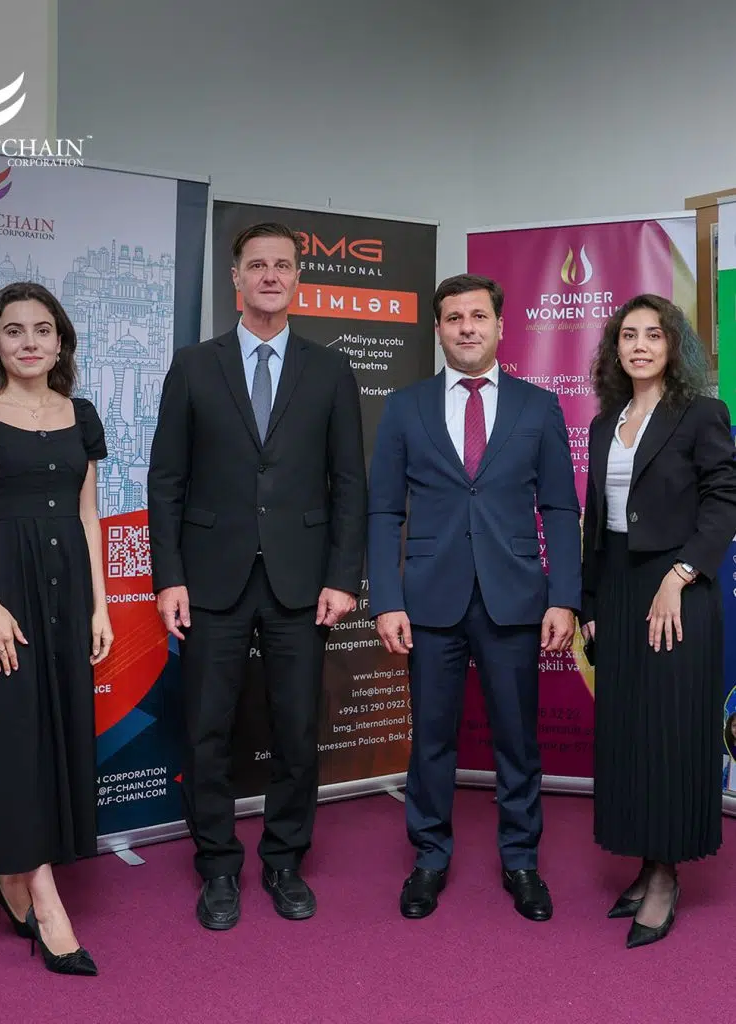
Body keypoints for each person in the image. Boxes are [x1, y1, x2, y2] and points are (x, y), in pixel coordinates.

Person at [147, 222, 367, 930]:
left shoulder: (329, 370)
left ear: (298, 278)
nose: (270, 275)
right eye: (257, 265)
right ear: (235, 278)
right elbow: (166, 481)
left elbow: (349, 484)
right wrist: (168, 577)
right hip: (210, 579)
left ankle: (283, 860)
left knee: (297, 731)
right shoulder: (193, 366)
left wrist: (343, 577)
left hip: (302, 582)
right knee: (205, 731)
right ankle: (217, 865)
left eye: (282, 265)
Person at [368, 273, 581, 922]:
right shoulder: (404, 407)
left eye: (478, 316)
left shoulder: (537, 407)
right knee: (431, 739)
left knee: (517, 740)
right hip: (428, 601)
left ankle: (521, 860)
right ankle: (429, 858)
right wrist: (386, 599)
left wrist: (563, 597)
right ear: (438, 329)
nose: (467, 328)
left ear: (499, 326)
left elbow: (559, 508)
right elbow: (383, 511)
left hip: (514, 598)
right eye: (454, 318)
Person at [0, 282, 112, 976]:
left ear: (60, 342)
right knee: (11, 742)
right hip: (0, 595)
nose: (29, 341)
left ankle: (10, 878)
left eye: (42, 329)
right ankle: (45, 901)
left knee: (52, 738)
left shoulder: (81, 414)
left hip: (68, 597)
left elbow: (88, 517)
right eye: (14, 330)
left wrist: (100, 607)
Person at [581, 294, 736, 949]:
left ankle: (667, 875)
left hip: (677, 587)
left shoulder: (700, 413)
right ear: (614, 349)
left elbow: (724, 500)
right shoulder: (603, 422)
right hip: (617, 589)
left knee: (670, 731)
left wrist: (681, 575)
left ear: (673, 346)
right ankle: (646, 861)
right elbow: (596, 523)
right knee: (630, 732)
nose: (639, 345)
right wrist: (591, 603)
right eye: (627, 335)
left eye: (652, 334)